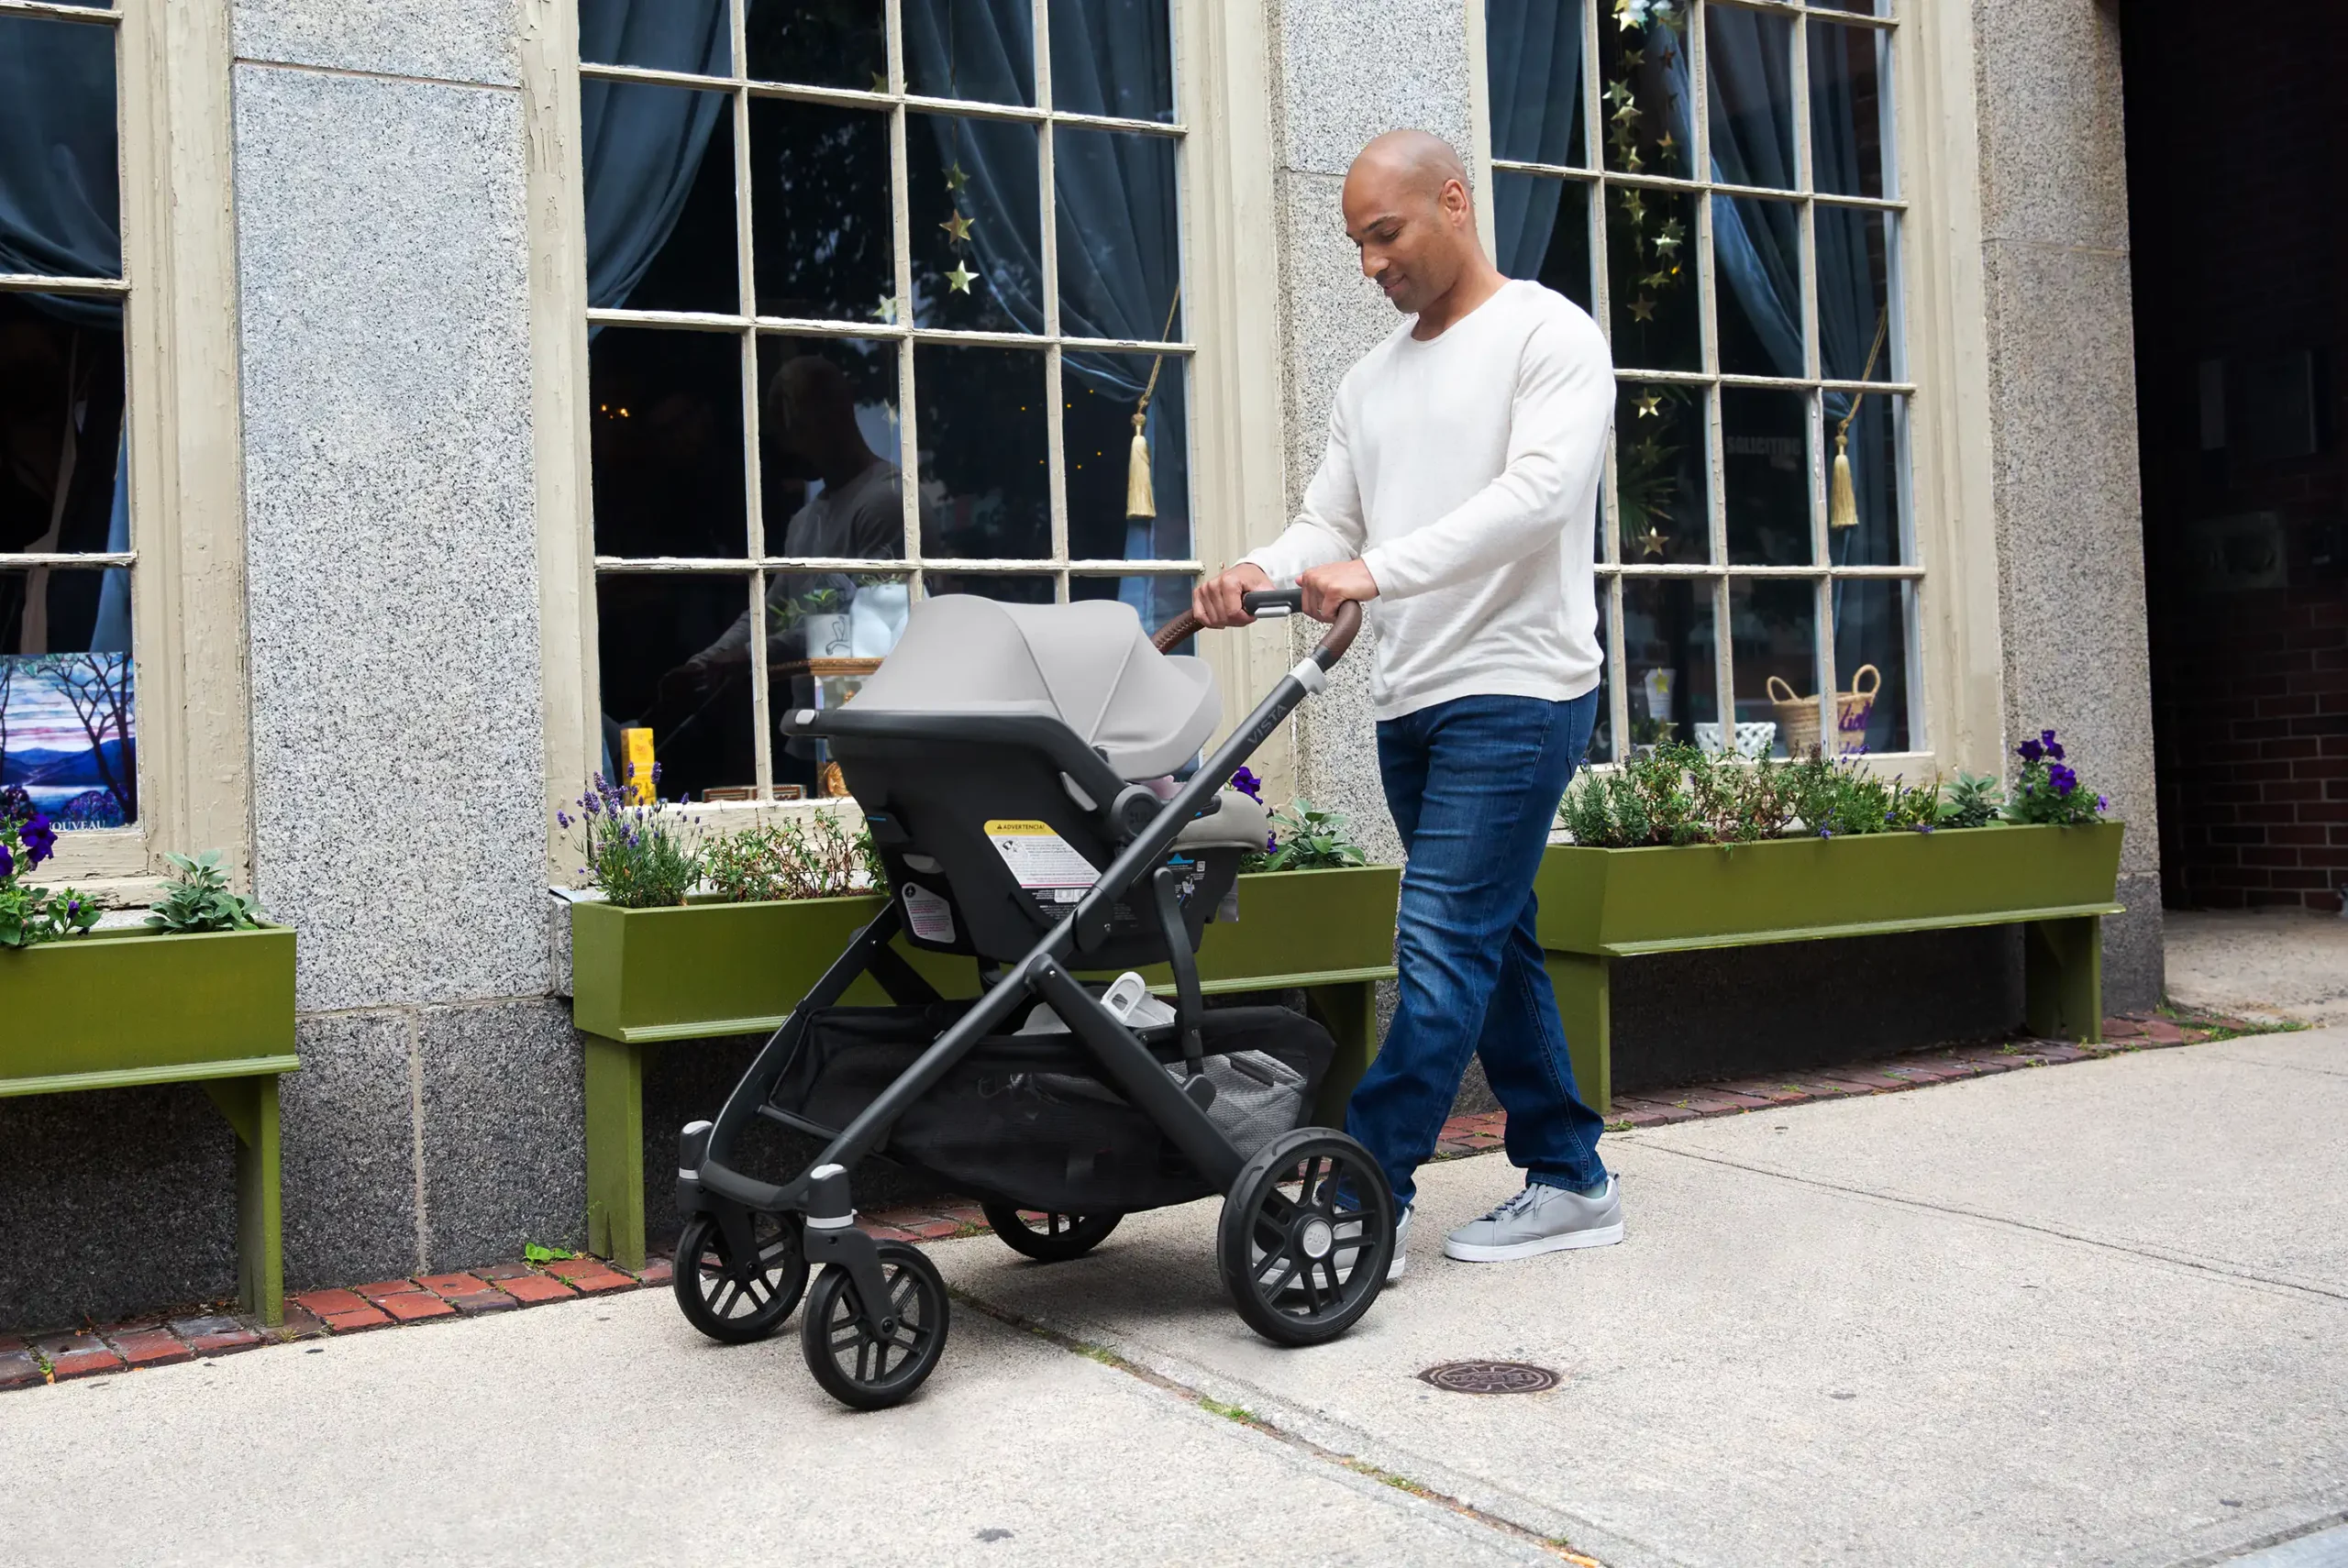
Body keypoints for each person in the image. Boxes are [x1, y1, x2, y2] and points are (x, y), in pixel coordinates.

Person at [1192, 130, 1621, 1275]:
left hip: (1521, 690)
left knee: (1437, 953)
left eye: (1386, 234)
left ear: (1453, 201)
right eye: (1357, 245)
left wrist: (1377, 573)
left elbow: (1536, 499)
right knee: (1496, 945)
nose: (1371, 263)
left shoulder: (1549, 335)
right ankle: (1571, 1176)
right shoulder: (1370, 381)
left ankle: (1352, 1195)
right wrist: (1254, 568)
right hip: (1410, 699)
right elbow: (1328, 525)